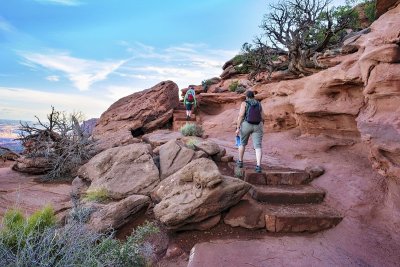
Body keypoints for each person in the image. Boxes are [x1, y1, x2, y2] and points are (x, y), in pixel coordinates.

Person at [235, 90, 264, 173]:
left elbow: (241, 116)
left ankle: (240, 162)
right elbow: (263, 116)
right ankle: (258, 166)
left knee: (242, 143)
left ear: (246, 96)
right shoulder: (259, 103)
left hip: (246, 125)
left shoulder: (244, 103)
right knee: (258, 146)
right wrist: (261, 125)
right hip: (258, 125)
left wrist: (237, 127)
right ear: (254, 96)